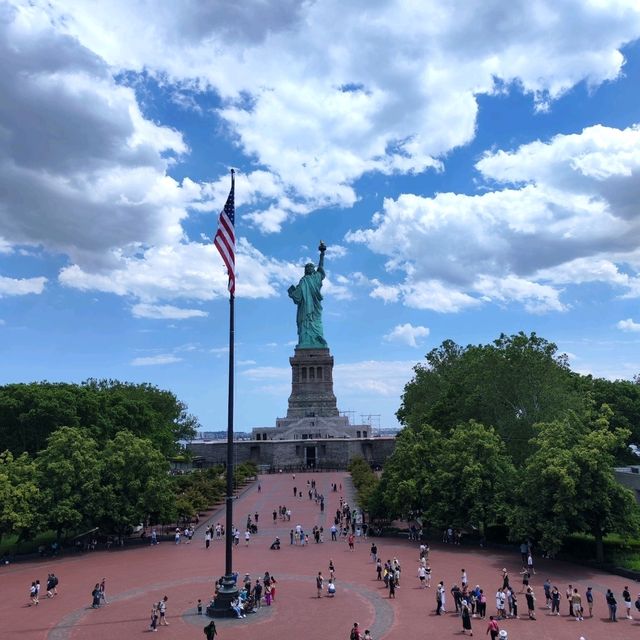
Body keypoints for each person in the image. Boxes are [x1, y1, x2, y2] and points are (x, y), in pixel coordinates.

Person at [288, 242, 328, 348]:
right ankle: (304, 342)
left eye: (311, 267)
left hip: (314, 306)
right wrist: (292, 293)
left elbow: (321, 266)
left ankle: (318, 339)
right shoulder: (303, 281)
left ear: (313, 269)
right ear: (306, 270)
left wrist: (322, 254)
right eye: (308, 267)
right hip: (305, 307)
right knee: (305, 323)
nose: (310, 268)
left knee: (317, 322)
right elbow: (297, 296)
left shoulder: (316, 277)